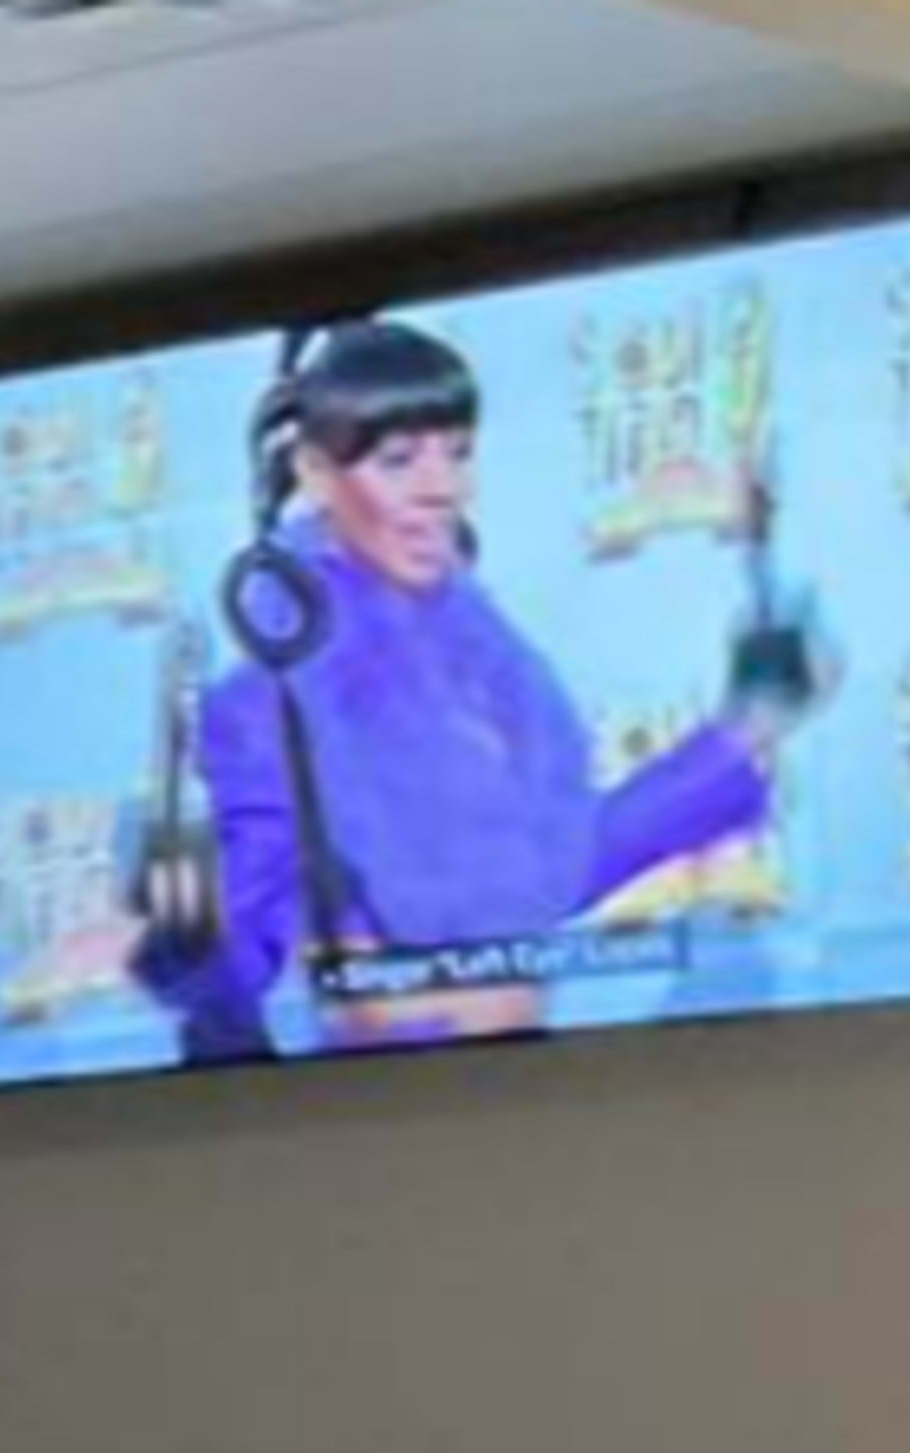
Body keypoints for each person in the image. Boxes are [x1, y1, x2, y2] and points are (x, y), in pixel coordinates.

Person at [134, 315, 829, 1060]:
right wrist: (192, 955)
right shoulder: (271, 706)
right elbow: (228, 966)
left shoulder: (481, 671)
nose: (443, 489)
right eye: (399, 460)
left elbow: (547, 872)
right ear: (313, 472)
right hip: (388, 1126)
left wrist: (747, 727)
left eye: (458, 454)